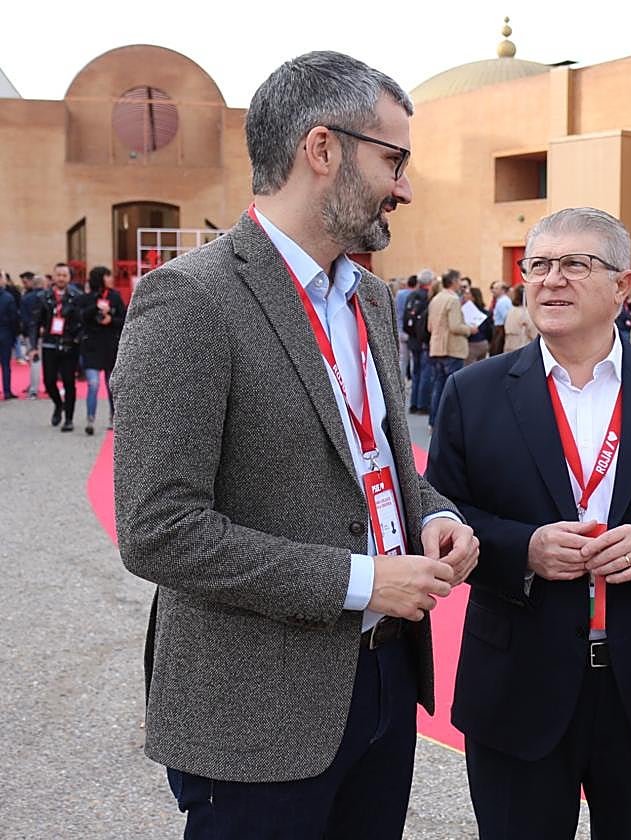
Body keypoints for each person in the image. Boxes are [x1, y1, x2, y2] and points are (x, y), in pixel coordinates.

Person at [111, 50, 479, 840]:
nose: (406, 186)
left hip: (383, 676)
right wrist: (360, 581)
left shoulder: (370, 295)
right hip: (257, 713)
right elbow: (157, 530)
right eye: (395, 159)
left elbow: (373, 461)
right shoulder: (190, 299)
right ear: (322, 149)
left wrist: (434, 514)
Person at [426, 207, 631, 839]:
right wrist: (524, 549)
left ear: (623, 286)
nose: (551, 280)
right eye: (538, 265)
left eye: (575, 264)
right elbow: (440, 513)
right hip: (517, 688)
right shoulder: (475, 394)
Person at [33, 262, 86, 430]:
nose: (61, 278)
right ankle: (58, 404)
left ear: (69, 277)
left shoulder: (77, 296)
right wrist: (33, 345)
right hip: (49, 343)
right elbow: (35, 322)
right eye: (58, 275)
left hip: (70, 345)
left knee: (69, 382)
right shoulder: (43, 296)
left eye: (64, 275)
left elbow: (84, 320)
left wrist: (78, 338)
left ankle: (69, 419)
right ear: (54, 276)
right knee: (49, 381)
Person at [426, 270, 475, 428]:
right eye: (459, 280)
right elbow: (455, 326)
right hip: (452, 348)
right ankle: (448, 424)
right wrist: (470, 329)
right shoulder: (453, 300)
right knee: (452, 390)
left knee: (438, 387)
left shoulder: (436, 298)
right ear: (454, 281)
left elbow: (430, 326)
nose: (460, 283)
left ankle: (434, 422)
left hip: (436, 347)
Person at [79, 265, 125, 434]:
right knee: (93, 384)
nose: (111, 278)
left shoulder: (115, 296)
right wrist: (95, 308)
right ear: (100, 278)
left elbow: (124, 319)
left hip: (110, 346)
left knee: (111, 384)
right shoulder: (87, 297)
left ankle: (114, 417)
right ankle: (90, 419)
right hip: (91, 346)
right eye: (107, 276)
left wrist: (110, 319)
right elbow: (81, 317)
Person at [403, 268, 434, 414]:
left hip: (412, 339)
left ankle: (413, 403)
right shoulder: (427, 297)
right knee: (425, 372)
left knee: (416, 372)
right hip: (423, 340)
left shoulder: (411, 296)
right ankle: (423, 404)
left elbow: (405, 319)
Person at [18, 273, 43, 397]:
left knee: (34, 360)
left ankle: (33, 388)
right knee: (39, 361)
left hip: (30, 333)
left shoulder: (26, 298)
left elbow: (23, 317)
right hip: (46, 333)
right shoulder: (46, 296)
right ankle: (36, 386)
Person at [394, 274, 418, 381]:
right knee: (413, 358)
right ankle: (411, 381)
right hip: (412, 331)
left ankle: (400, 383)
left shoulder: (399, 294)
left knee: (402, 360)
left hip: (399, 329)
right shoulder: (415, 295)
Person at [503, 284, 537, 352]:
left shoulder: (511, 310)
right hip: (522, 347)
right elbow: (534, 335)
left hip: (509, 346)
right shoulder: (527, 313)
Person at [464, 286, 492, 366]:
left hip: (472, 344)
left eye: (467, 294)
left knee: (468, 370)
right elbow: (489, 329)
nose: (464, 296)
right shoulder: (485, 311)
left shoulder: (467, 311)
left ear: (473, 297)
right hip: (484, 343)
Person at [0, 281, 17, 400]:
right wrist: (14, 334)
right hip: (5, 333)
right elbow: (13, 317)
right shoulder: (8, 297)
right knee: (6, 364)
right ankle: (7, 391)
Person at [489, 280, 511, 356]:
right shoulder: (502, 300)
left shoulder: (502, 301)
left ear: (502, 290)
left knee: (497, 351)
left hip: (500, 330)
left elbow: (506, 317)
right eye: (493, 288)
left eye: (496, 288)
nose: (493, 290)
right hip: (499, 329)